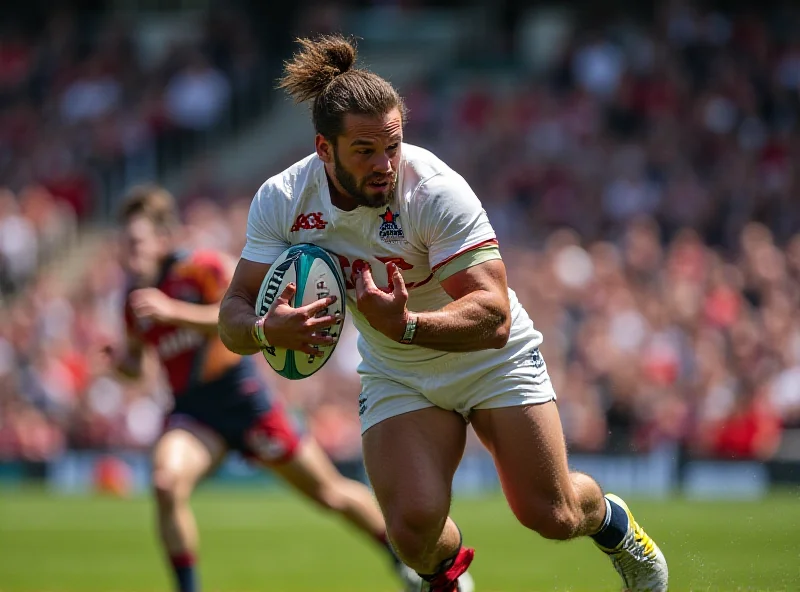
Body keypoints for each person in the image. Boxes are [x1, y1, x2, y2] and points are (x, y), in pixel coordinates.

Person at [218, 35, 668, 592]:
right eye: (365, 151)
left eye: (393, 146)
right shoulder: (282, 199)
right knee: (410, 531)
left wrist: (406, 325)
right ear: (324, 149)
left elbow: (493, 315)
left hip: (489, 358)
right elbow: (232, 315)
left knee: (551, 515)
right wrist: (264, 330)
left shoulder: (434, 190)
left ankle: (614, 524)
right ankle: (451, 580)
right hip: (398, 370)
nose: (384, 165)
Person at [106, 184, 422, 592]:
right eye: (124, 244)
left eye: (137, 242)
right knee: (166, 483)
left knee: (330, 494)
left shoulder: (201, 269)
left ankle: (404, 561)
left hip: (244, 401)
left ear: (164, 239)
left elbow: (239, 318)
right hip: (194, 414)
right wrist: (121, 365)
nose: (129, 253)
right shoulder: (133, 299)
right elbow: (136, 365)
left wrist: (174, 312)